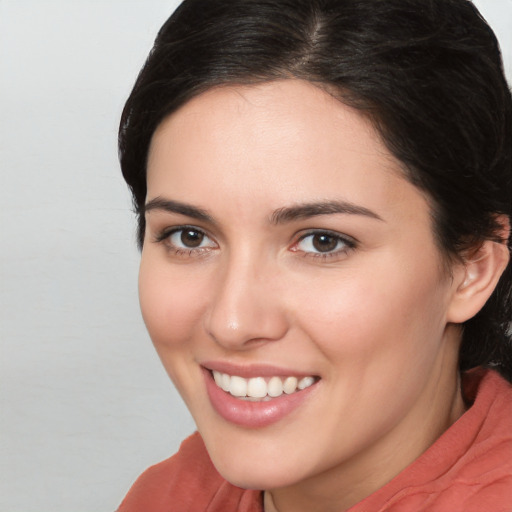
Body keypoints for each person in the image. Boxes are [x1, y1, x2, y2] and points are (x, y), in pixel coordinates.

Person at [116, 0, 512, 510]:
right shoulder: (168, 497)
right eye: (190, 236)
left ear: (472, 270)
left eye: (322, 241)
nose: (233, 322)